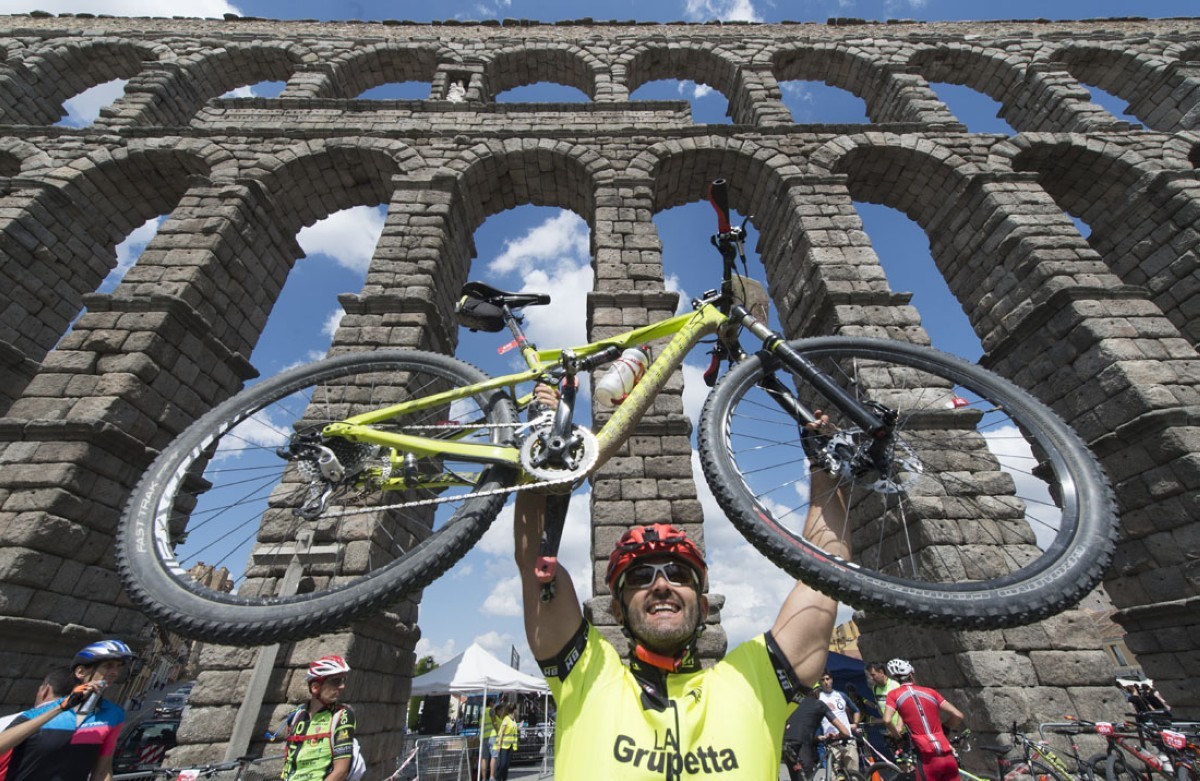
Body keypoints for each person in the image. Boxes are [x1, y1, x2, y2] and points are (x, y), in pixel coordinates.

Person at [514, 384, 850, 779]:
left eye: (677, 574)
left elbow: (825, 576)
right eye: (641, 576)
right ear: (618, 609)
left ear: (703, 606)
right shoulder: (587, 675)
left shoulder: (755, 679)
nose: (661, 584)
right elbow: (536, 559)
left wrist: (826, 471)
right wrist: (545, 439)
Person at [0, 640, 134, 781]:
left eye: (118, 667)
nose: (115, 672)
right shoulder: (43, 712)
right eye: (108, 666)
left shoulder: (113, 715)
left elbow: (102, 771)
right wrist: (60, 708)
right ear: (80, 672)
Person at [880, 659, 965, 781]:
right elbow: (958, 715)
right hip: (947, 755)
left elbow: (887, 720)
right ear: (911, 675)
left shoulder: (894, 695)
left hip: (926, 757)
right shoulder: (931, 692)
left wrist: (898, 738)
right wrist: (944, 728)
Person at [281, 655, 357, 781]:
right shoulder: (297, 715)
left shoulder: (342, 715)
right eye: (336, 681)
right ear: (315, 687)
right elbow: (288, 762)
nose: (342, 686)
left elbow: (341, 771)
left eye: (343, 680)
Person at [783, 684, 852, 781]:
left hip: (787, 745)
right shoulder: (820, 704)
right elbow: (845, 732)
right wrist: (838, 736)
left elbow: (801, 729)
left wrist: (821, 738)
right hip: (802, 746)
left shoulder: (794, 705)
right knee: (807, 776)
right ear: (816, 692)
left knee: (797, 777)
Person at [818, 670, 861, 773]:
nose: (826, 682)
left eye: (828, 679)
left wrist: (855, 724)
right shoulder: (818, 698)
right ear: (819, 682)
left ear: (832, 680)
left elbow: (856, 710)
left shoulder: (841, 695)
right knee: (833, 775)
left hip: (848, 741)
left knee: (854, 774)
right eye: (823, 680)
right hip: (831, 742)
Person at [493, 702, 519, 781]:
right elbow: (501, 732)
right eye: (516, 710)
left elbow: (513, 732)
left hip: (510, 745)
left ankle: (504, 779)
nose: (517, 711)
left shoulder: (513, 720)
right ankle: (497, 778)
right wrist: (498, 744)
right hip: (504, 745)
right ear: (514, 710)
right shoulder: (506, 719)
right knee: (503, 765)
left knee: (506, 766)